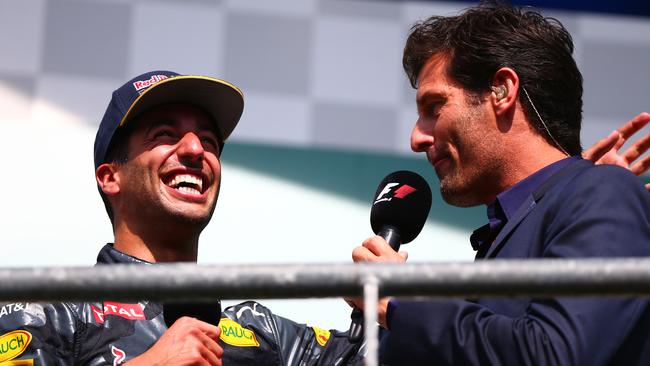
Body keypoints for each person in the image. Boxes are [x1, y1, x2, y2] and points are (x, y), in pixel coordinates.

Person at [352, 3, 650, 365]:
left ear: (502, 91)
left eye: (434, 107)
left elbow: (555, 355)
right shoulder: (528, 219)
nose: (417, 138)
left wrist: (402, 302)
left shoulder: (603, 192)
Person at [0, 71, 364, 365]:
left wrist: (386, 309)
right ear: (111, 177)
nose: (195, 149)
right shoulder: (48, 311)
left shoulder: (262, 332)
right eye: (164, 134)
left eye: (208, 140)